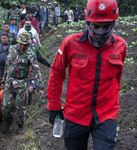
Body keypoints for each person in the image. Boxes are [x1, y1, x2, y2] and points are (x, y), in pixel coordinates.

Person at [47, 0, 126, 149]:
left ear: (113, 24)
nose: (100, 32)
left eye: (106, 27)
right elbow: (56, 73)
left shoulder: (121, 46)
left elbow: (117, 78)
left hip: (106, 114)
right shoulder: (70, 43)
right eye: (96, 27)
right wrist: (54, 106)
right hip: (75, 114)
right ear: (88, 23)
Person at [1, 32, 44, 133]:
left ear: (29, 44)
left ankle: (20, 126)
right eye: (21, 44)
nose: (22, 46)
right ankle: (7, 122)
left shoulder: (30, 53)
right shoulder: (11, 49)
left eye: (25, 45)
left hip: (22, 83)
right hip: (9, 81)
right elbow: (7, 65)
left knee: (20, 106)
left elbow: (36, 69)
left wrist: (40, 87)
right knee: (6, 106)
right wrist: (4, 78)